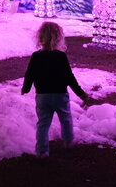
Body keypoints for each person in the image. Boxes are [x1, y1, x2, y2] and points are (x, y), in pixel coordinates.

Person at [21, 21, 91, 157]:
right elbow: (69, 77)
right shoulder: (61, 56)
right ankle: (68, 141)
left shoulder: (36, 57)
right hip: (60, 95)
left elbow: (30, 74)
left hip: (42, 96)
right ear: (58, 38)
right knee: (65, 119)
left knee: (43, 123)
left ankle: (42, 151)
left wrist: (26, 87)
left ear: (40, 37)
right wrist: (81, 94)